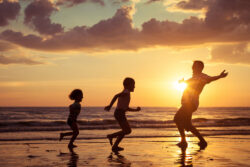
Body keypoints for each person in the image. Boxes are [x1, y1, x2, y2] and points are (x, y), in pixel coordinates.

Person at [174, 61, 228, 148]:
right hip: (187, 103)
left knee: (177, 119)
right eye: (192, 66)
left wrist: (219, 76)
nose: (192, 68)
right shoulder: (194, 78)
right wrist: (183, 81)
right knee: (187, 124)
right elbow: (188, 82)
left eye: (194, 66)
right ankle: (202, 141)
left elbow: (210, 79)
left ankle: (184, 142)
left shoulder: (202, 77)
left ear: (199, 68)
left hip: (190, 103)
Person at [104, 77, 141, 151]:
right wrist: (110, 105)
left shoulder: (126, 92)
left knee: (125, 130)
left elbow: (126, 108)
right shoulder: (126, 92)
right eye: (133, 85)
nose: (134, 86)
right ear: (127, 85)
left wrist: (136, 110)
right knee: (128, 131)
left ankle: (115, 146)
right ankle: (111, 136)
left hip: (120, 113)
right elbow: (116, 95)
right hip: (119, 113)